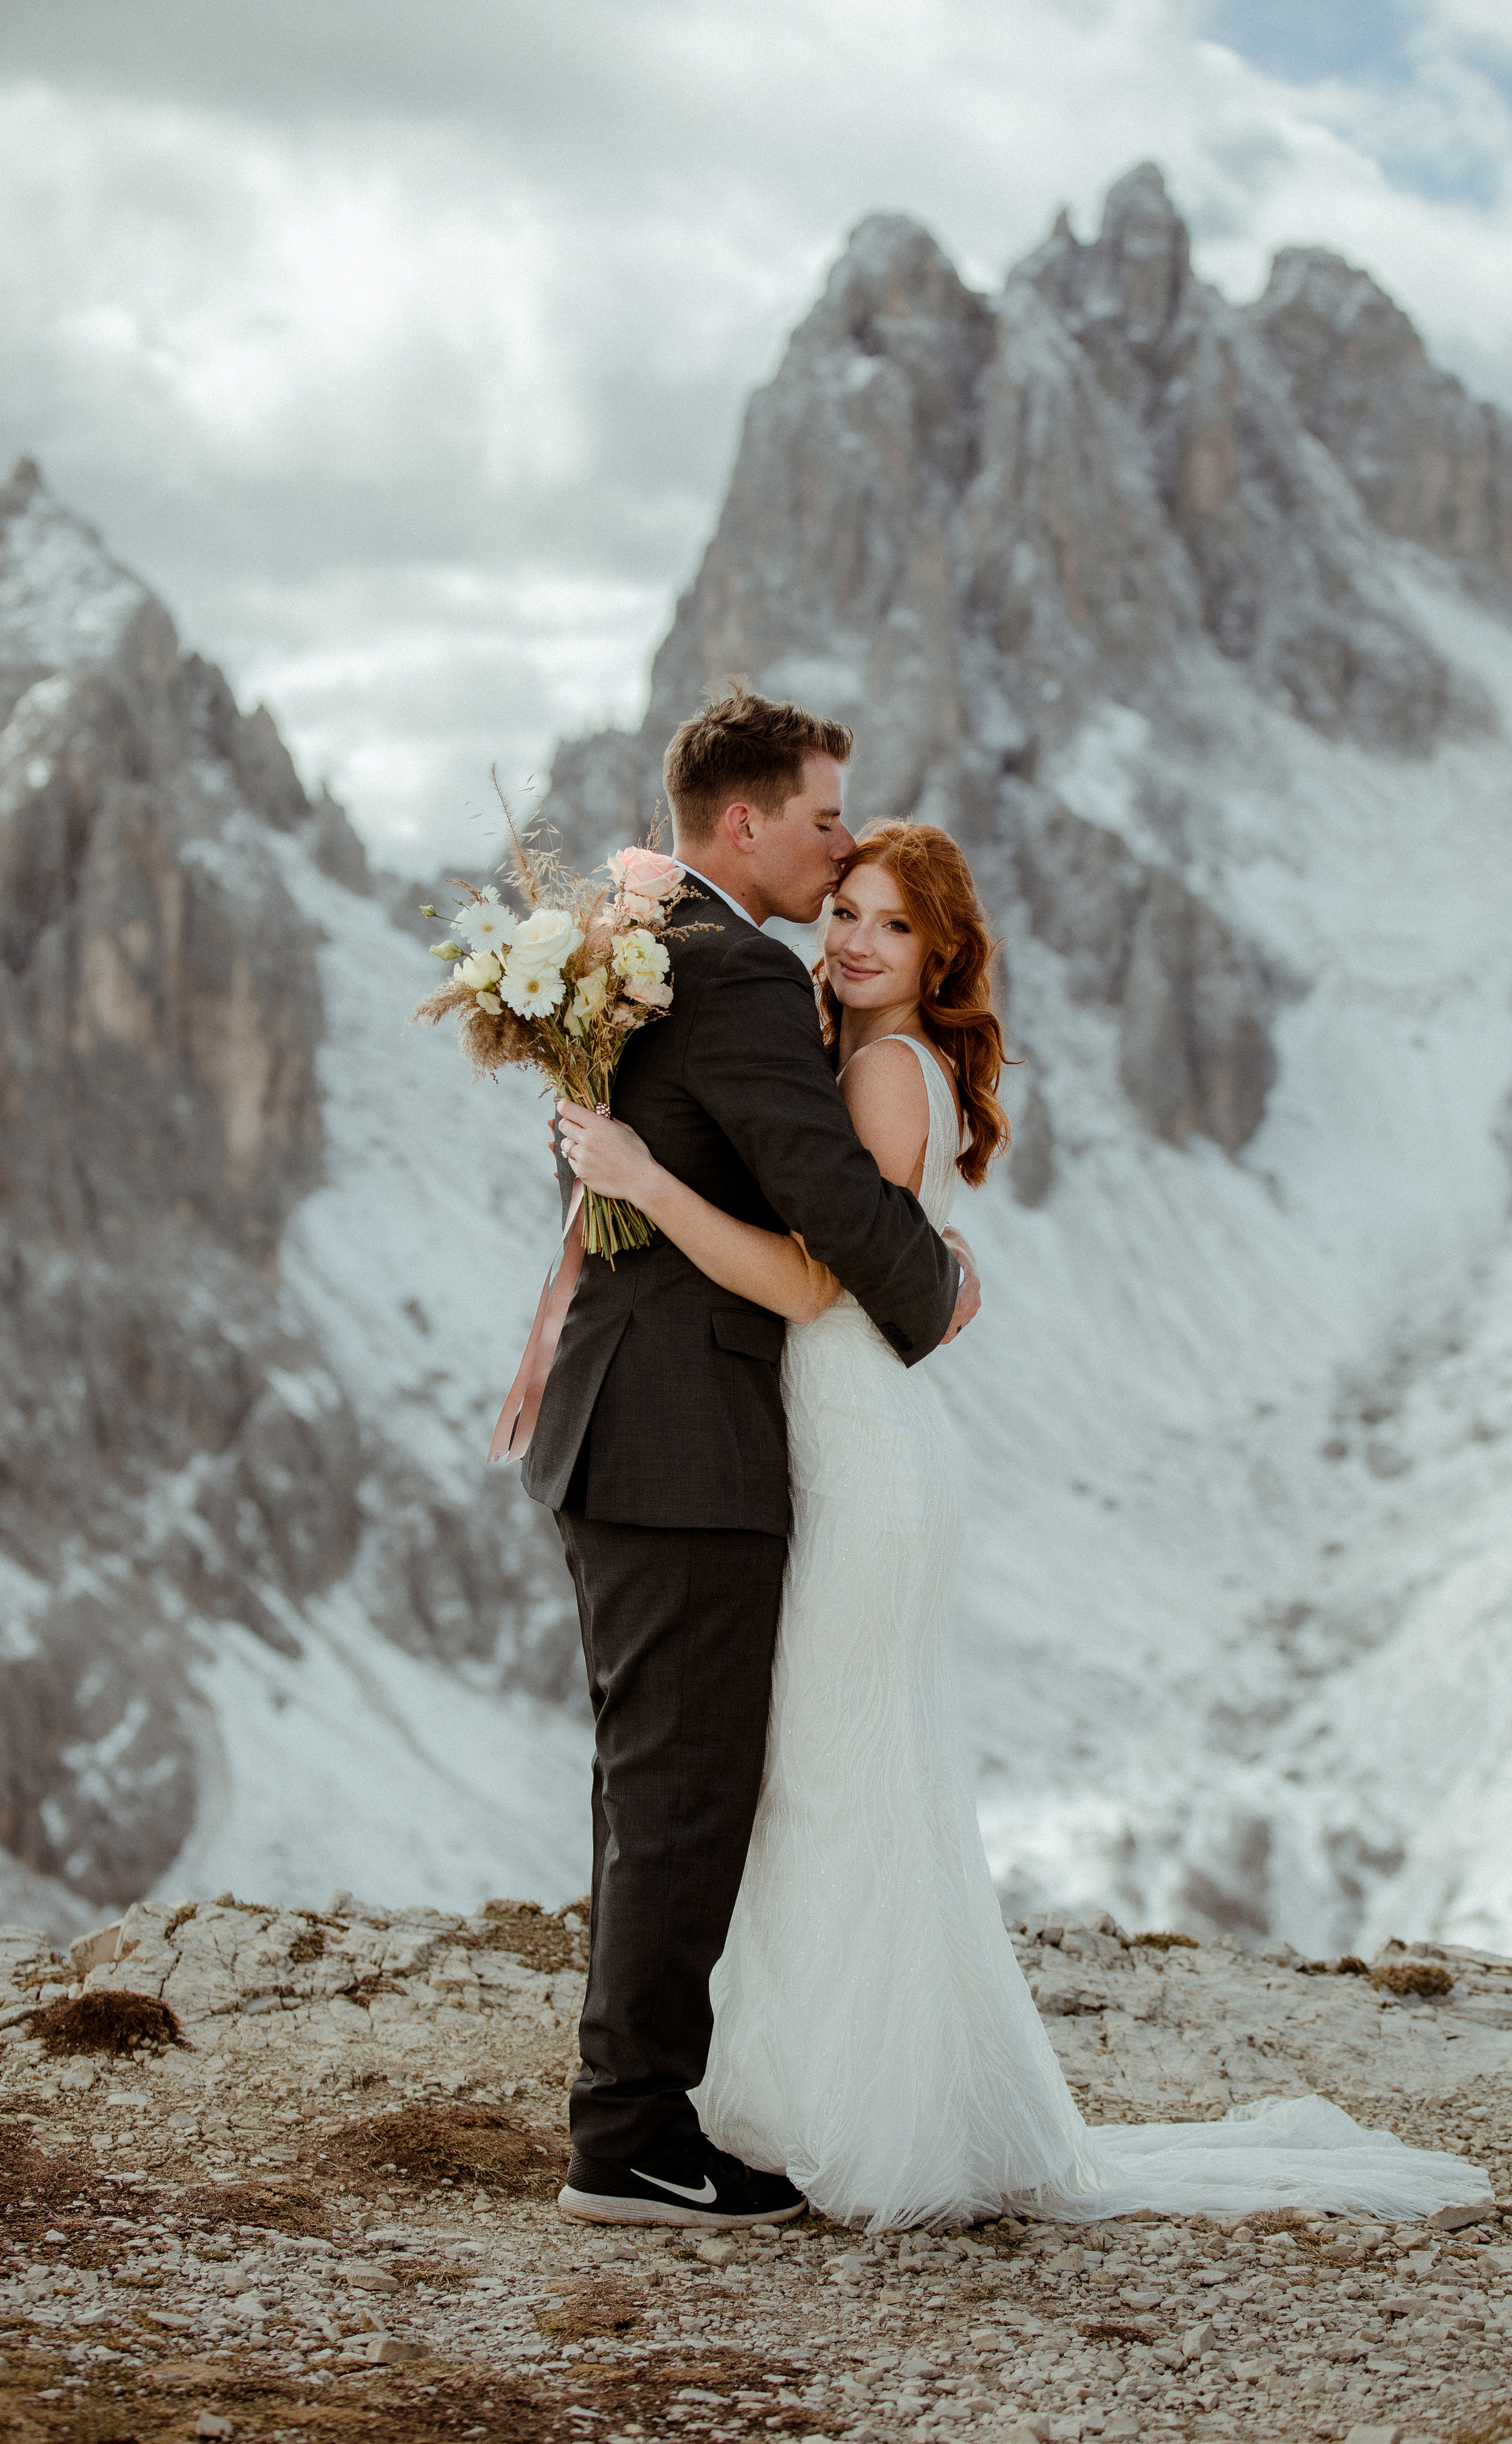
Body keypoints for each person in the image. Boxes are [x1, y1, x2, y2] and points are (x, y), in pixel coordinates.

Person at [556, 817, 1495, 2231]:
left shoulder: (877, 1069)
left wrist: (640, 1180)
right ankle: (813, 2098)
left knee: (829, 1783)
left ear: (940, 957)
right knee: (838, 1781)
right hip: (841, 1446)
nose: (855, 940)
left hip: (857, 1454)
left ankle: (851, 2117)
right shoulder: (856, 1058)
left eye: (891, 926)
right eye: (848, 912)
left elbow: (814, 1284)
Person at [525, 687, 977, 2230]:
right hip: (682, 1437)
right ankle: (630, 2138)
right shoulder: (728, 973)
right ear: (743, 824)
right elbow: (830, 1208)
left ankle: (639, 2110)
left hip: (640, 1424)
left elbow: (620, 1133)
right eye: (824, 818)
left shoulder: (649, 946)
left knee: (657, 1782)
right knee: (683, 1793)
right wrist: (944, 1291)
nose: (840, 840)